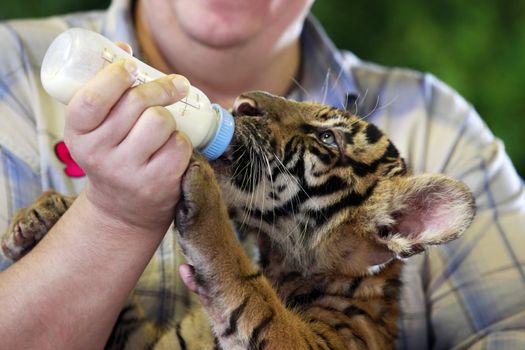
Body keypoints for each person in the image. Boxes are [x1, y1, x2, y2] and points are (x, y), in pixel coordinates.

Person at [0, 0, 523, 348]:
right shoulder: (12, 70)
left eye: (324, 139)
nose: (252, 103)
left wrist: (218, 251)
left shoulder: (446, 130)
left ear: (385, 231)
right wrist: (109, 219)